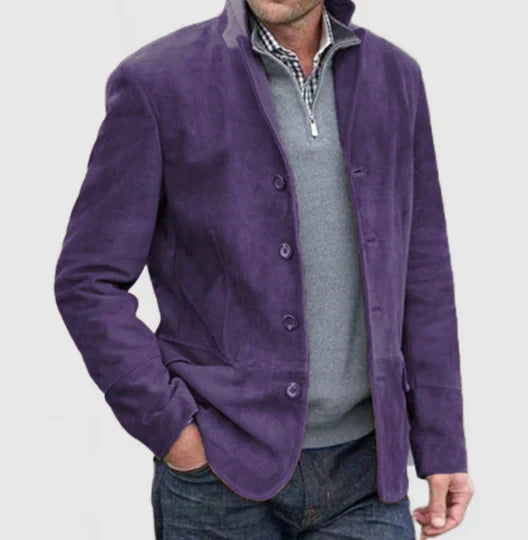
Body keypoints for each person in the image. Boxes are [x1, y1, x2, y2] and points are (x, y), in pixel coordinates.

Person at [54, 0, 474, 538]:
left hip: (367, 476)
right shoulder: (157, 81)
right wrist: (173, 431)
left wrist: (442, 443)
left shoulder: (395, 78)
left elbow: (425, 271)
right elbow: (88, 280)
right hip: (220, 476)